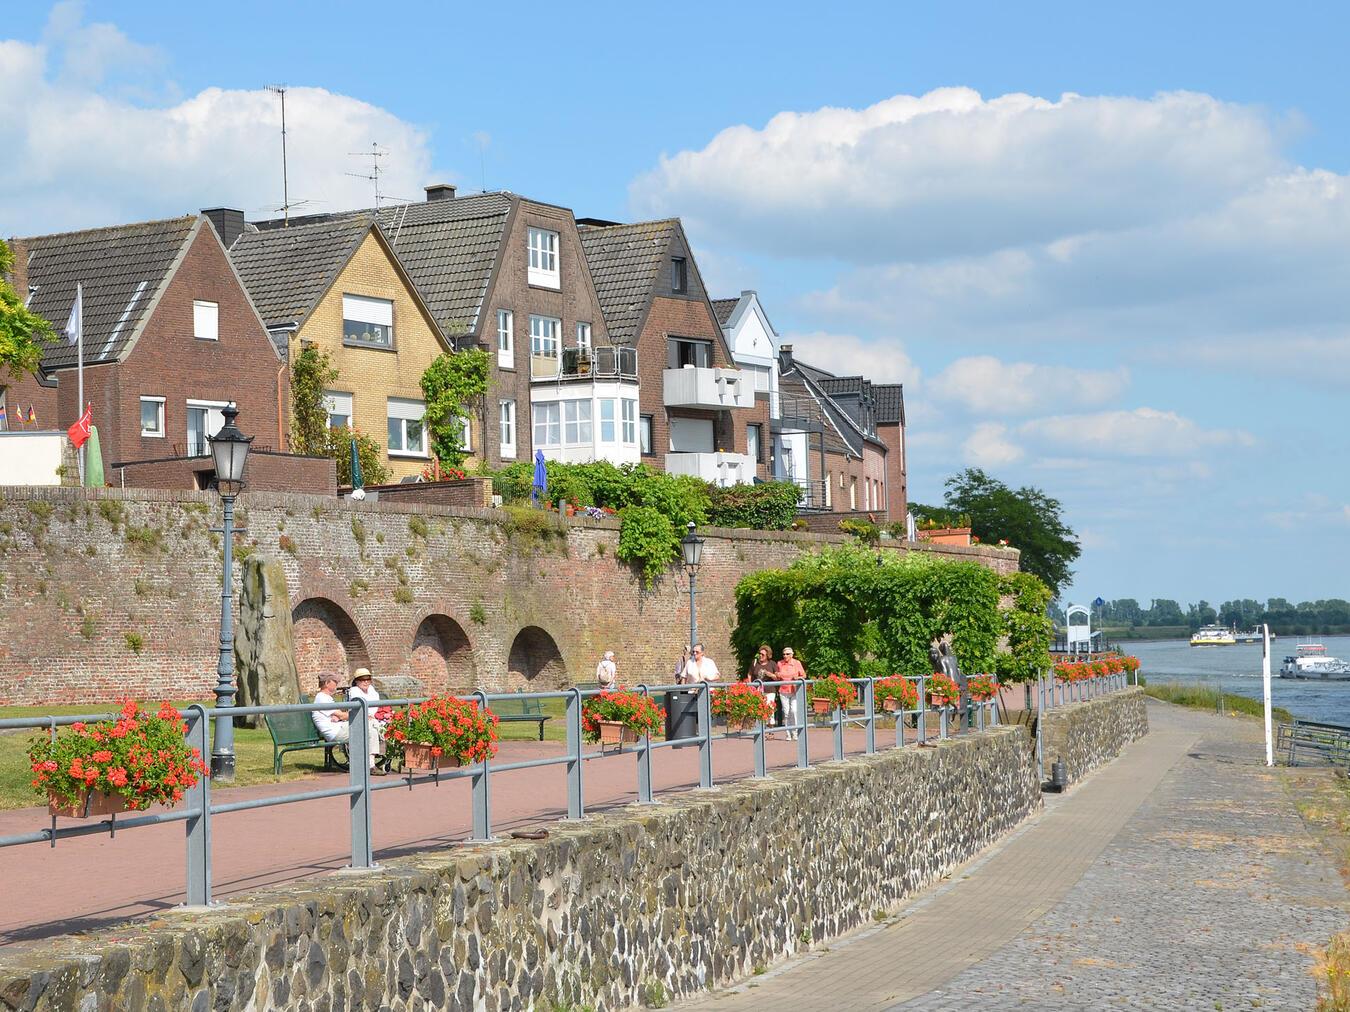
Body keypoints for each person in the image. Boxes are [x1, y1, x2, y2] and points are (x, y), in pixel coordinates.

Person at [312, 675, 380, 774]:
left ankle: (366, 764)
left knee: (371, 725)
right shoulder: (322, 698)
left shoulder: (326, 697)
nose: (337, 685)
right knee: (370, 729)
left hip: (339, 727)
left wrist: (338, 716)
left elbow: (338, 715)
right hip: (335, 732)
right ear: (327, 683)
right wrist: (363, 715)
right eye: (335, 682)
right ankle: (370, 766)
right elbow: (342, 716)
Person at [347, 668, 387, 773]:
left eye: (368, 679)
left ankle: (388, 756)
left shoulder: (372, 690)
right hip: (358, 720)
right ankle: (371, 764)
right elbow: (358, 707)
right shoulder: (354, 691)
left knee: (386, 727)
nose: (366, 682)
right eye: (362, 679)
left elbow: (375, 707)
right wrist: (367, 715)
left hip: (373, 719)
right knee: (372, 731)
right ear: (356, 681)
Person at [776, 647, 806, 740]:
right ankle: (788, 733)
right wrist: (777, 675)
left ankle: (795, 732)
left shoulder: (797, 663)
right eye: (784, 654)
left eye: (787, 654)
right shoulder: (779, 663)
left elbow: (804, 675)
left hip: (794, 690)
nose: (785, 656)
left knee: (794, 711)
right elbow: (777, 676)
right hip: (783, 691)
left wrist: (798, 678)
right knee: (786, 712)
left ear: (792, 654)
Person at [748, 644, 778, 725]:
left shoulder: (772, 663)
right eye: (759, 654)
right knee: (759, 709)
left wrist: (770, 674)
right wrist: (751, 685)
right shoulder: (755, 663)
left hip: (769, 690)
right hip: (758, 690)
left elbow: (777, 677)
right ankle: (760, 730)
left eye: (763, 654)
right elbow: (750, 674)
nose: (760, 656)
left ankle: (770, 730)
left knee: (769, 709)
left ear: (767, 655)